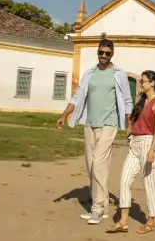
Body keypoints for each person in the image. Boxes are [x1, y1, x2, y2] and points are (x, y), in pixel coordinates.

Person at [56, 38, 134, 225]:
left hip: (109, 123)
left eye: (107, 53)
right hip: (90, 123)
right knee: (92, 165)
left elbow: (127, 100)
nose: (104, 56)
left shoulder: (119, 74)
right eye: (101, 52)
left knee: (99, 162)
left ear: (112, 54)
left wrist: (129, 123)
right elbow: (77, 96)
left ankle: (97, 209)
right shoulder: (89, 73)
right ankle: (103, 205)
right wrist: (64, 115)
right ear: (98, 53)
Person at [106, 70, 155, 235]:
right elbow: (131, 123)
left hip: (148, 143)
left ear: (152, 83)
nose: (141, 84)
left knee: (149, 184)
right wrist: (130, 128)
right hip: (134, 144)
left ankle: (151, 221)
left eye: (143, 81)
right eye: (140, 82)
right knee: (124, 180)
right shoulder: (141, 102)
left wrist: (152, 150)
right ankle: (123, 222)